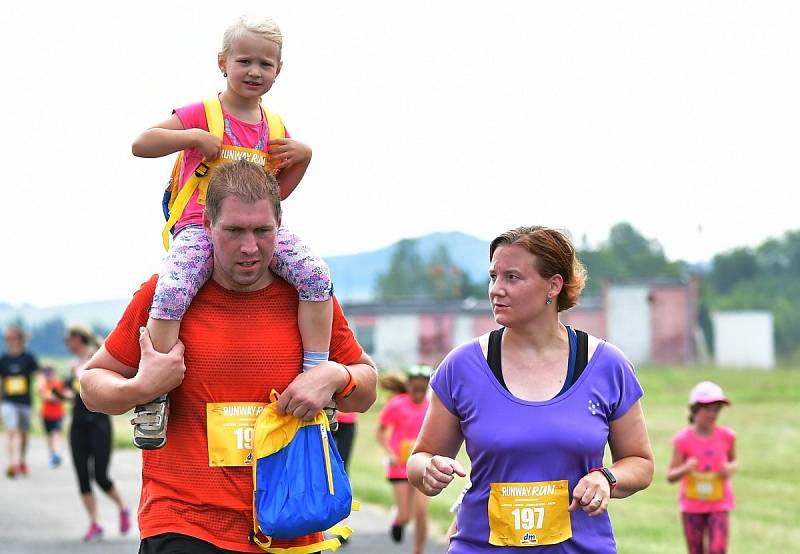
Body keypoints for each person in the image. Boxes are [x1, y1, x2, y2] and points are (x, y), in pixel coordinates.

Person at [79, 159, 377, 554]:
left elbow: (366, 388)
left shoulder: (310, 299)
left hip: (288, 524)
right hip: (184, 522)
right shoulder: (166, 295)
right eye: (234, 231)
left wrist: (334, 376)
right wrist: (141, 387)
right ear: (206, 226)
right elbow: (91, 384)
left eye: (262, 231)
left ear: (280, 226)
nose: (249, 247)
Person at [130, 14, 334, 449]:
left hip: (256, 235)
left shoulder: (275, 129)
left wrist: (304, 157)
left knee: (316, 275)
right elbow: (141, 143)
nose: (255, 72)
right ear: (222, 62)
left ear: (279, 71)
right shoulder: (201, 114)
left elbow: (276, 199)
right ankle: (153, 393)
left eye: (266, 64)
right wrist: (192, 138)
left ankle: (317, 370)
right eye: (245, 61)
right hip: (199, 228)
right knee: (172, 289)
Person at [407, 226, 654, 553]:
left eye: (512, 277)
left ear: (553, 285)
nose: (496, 290)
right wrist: (428, 469)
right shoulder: (461, 367)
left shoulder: (607, 365)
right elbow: (419, 458)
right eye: (493, 276)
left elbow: (640, 462)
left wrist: (606, 478)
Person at [64, 324, 131, 542]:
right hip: (78, 424)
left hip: (100, 423)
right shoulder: (72, 364)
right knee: (83, 477)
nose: (67, 344)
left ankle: (122, 507)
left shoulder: (97, 358)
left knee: (100, 476)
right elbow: (70, 393)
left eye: (69, 339)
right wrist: (54, 392)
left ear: (78, 338)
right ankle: (95, 524)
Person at [667, 381, 736, 554]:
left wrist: (729, 468)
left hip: (719, 504)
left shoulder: (727, 436)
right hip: (692, 505)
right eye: (708, 409)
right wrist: (685, 468)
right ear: (694, 410)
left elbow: (733, 461)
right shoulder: (682, 440)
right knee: (695, 550)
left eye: (717, 409)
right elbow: (671, 475)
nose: (713, 414)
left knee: (717, 549)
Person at [377, 365, 432, 554]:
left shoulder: (432, 406)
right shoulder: (397, 404)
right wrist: (390, 454)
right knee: (405, 517)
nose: (418, 393)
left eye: (422, 388)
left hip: (423, 465)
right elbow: (380, 432)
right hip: (399, 465)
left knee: (422, 512)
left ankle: (418, 550)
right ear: (408, 386)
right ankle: (398, 521)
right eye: (415, 388)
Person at [0, 325, 39, 478]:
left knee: (23, 434)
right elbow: (1, 383)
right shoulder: (3, 359)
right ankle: (12, 464)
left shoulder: (28, 358)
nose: (9, 341)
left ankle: (22, 461)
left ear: (19, 339)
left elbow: (37, 376)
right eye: (7, 338)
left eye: (12, 338)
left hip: (25, 402)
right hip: (8, 402)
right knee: (11, 431)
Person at [37, 365, 67, 467]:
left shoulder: (58, 383)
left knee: (56, 433)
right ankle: (52, 455)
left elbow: (62, 397)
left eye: (50, 372)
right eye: (47, 372)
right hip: (46, 414)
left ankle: (56, 454)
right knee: (49, 435)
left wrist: (52, 396)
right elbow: (45, 396)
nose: (49, 374)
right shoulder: (44, 384)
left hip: (57, 414)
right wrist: (54, 396)